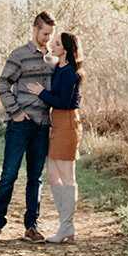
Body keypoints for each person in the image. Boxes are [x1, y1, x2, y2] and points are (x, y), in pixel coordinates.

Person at [0, 12, 55, 241]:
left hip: (43, 125)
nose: (47, 38)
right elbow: (3, 84)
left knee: (35, 178)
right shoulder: (20, 55)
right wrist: (16, 113)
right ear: (34, 30)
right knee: (9, 175)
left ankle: (31, 227)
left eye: (50, 34)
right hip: (20, 125)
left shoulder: (54, 59)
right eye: (44, 33)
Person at [31, 31, 82, 244]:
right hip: (57, 124)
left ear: (67, 50)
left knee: (67, 177)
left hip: (68, 123)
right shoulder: (59, 67)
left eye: (58, 43)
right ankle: (66, 225)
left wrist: (41, 92)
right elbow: (47, 58)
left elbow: (62, 101)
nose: (53, 44)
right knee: (53, 175)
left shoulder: (71, 72)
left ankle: (66, 227)